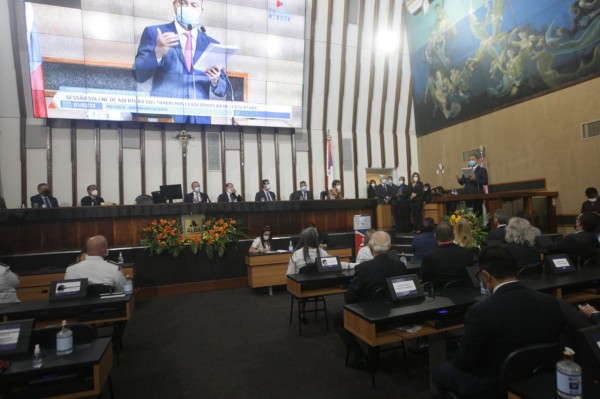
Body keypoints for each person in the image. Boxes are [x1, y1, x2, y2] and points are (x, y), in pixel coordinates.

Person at [433, 246, 564, 398]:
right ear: (516, 272)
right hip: (538, 376)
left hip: (492, 385)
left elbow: (463, 363)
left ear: (485, 276)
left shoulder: (480, 311)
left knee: (441, 371)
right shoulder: (550, 302)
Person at [132, 0, 230, 125]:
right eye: (184, 3)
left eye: (194, 5)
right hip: (165, 118)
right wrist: (157, 52)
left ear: (201, 11)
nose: (188, 7)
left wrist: (215, 80)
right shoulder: (155, 33)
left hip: (200, 120)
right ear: (175, 5)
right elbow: (138, 75)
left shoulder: (210, 43)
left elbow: (223, 90)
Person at [334, 231, 407, 368]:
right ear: (390, 247)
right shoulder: (400, 266)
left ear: (370, 247)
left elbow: (350, 297)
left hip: (368, 316)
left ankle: (359, 355)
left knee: (337, 319)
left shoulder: (363, 268)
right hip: (396, 314)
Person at [421, 221, 474, 289]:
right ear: (453, 236)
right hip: (464, 294)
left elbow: (425, 281)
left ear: (435, 237)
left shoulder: (428, 257)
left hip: (438, 296)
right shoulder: (467, 253)